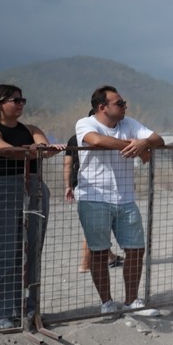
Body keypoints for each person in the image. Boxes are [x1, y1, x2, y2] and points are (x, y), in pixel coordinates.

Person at [0, 85, 64, 329]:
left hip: (33, 188)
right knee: (2, 251)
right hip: (1, 190)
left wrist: (39, 150)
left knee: (32, 251)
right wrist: (32, 151)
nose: (20, 104)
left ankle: (29, 309)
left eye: (22, 100)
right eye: (14, 100)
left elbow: (43, 149)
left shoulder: (31, 129)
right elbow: (3, 150)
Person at [75, 86, 165, 315]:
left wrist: (144, 144)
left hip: (125, 197)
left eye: (124, 103)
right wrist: (136, 146)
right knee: (98, 251)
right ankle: (106, 302)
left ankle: (132, 300)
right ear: (102, 107)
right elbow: (95, 141)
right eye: (120, 103)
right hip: (94, 197)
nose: (125, 106)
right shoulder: (86, 123)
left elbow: (158, 139)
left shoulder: (129, 124)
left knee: (136, 249)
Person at [64, 112, 123, 274]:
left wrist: (68, 185)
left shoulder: (75, 138)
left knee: (101, 224)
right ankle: (85, 263)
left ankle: (109, 256)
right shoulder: (87, 138)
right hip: (89, 186)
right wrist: (68, 185)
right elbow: (68, 164)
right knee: (93, 226)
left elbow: (67, 165)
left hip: (89, 185)